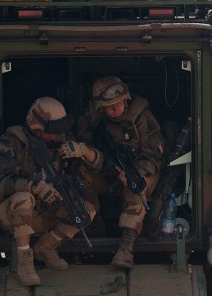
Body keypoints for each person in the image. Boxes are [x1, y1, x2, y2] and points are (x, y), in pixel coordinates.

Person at [0, 97, 98, 287]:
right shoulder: (13, 142)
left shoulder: (60, 140)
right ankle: (25, 262)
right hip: (11, 213)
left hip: (46, 211)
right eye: (50, 133)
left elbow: (96, 168)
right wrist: (31, 186)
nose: (54, 137)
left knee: (85, 209)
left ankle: (46, 248)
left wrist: (83, 152)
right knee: (24, 198)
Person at [61, 76, 164, 269]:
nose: (116, 109)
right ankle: (94, 231)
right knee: (80, 174)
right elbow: (83, 153)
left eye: (119, 104)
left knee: (138, 184)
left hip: (137, 170)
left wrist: (136, 171)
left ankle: (126, 246)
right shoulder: (91, 120)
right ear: (100, 107)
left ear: (126, 100)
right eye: (110, 106)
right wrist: (101, 162)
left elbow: (154, 158)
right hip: (104, 171)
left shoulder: (141, 118)